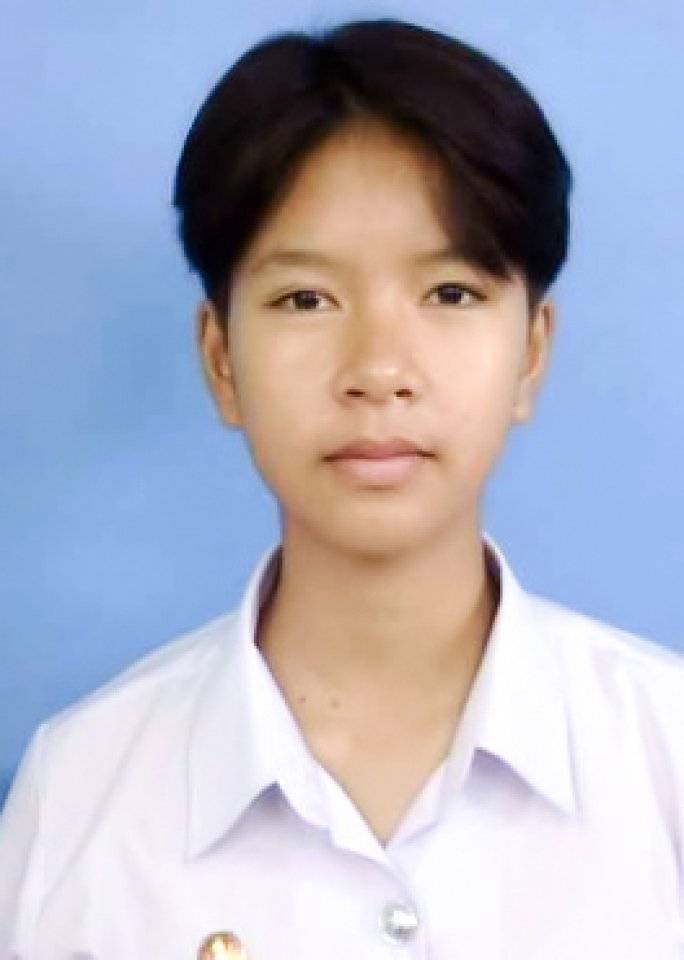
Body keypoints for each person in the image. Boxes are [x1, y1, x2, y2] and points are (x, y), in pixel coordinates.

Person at [1, 15, 683, 960]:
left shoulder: (665, 757)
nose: (379, 370)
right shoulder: (81, 792)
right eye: (305, 299)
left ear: (532, 353)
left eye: (450, 293)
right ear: (220, 359)